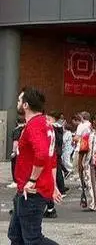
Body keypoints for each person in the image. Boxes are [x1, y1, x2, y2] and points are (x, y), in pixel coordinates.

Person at [8, 87, 62, 245]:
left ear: (25, 105)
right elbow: (52, 158)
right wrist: (53, 185)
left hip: (31, 191)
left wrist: (32, 180)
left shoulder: (35, 125)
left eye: (19, 100)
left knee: (33, 239)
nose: (17, 103)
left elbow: (43, 154)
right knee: (16, 237)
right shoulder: (45, 123)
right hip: (27, 191)